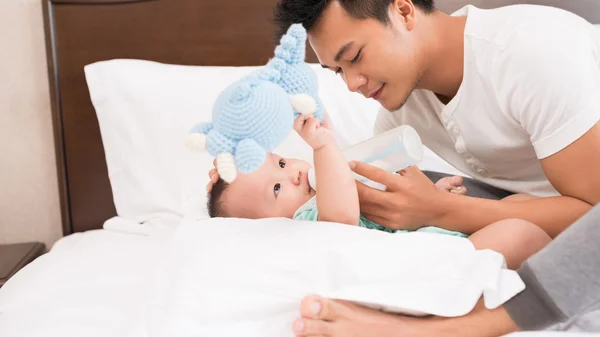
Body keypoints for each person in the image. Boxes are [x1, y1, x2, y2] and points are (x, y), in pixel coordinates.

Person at [269, 0, 600, 238]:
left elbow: (593, 216)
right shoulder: (399, 111)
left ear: (403, 11)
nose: (352, 83)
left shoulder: (530, 54)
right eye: (339, 71)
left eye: (355, 57)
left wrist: (442, 209)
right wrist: (246, 190)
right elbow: (352, 205)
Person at [290, 203, 600, 336]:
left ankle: (442, 332)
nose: (354, 84)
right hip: (440, 253)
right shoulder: (305, 221)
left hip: (460, 248)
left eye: (282, 162)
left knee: (519, 232)